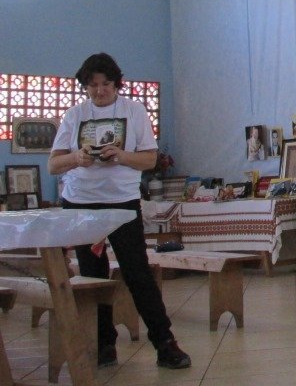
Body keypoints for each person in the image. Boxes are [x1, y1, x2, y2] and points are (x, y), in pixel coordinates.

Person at [47, 53, 191, 370]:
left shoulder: (134, 111)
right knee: (92, 276)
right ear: (85, 86)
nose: (99, 91)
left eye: (106, 84)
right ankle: (103, 344)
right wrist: (76, 158)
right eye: (93, 85)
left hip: (122, 203)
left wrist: (121, 156)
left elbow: (149, 159)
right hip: (81, 204)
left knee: (137, 272)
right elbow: (53, 165)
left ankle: (165, 343)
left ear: (116, 84)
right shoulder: (74, 115)